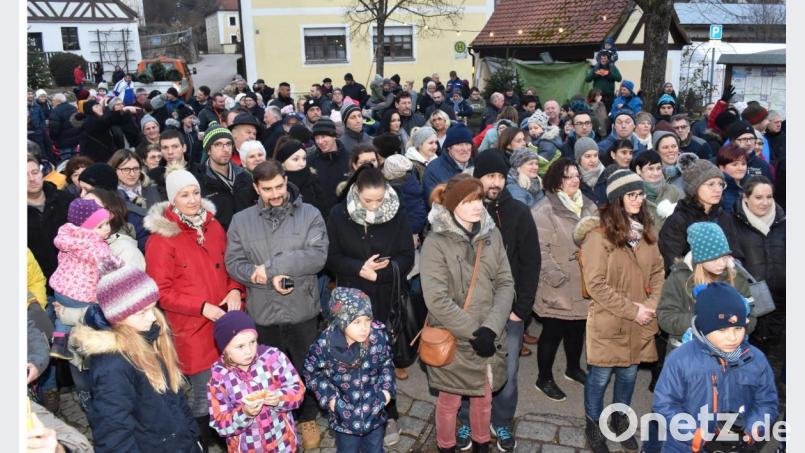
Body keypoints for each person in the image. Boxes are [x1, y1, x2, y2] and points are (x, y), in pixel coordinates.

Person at [224, 159, 328, 449]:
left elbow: (317, 256)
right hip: (263, 311)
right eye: (267, 189)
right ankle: (278, 420)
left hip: (302, 309)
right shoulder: (241, 220)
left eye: (279, 186)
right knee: (268, 372)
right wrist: (263, 278)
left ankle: (307, 417)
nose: (275, 193)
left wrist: (269, 267)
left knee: (305, 367)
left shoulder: (310, 214)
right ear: (256, 188)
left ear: (286, 181)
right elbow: (233, 263)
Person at [143, 166, 244, 451]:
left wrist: (236, 288)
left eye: (196, 192)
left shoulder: (213, 225)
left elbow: (232, 263)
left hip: (225, 321)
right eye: (184, 195)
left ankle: (231, 438)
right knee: (204, 393)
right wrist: (201, 307)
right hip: (193, 327)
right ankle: (200, 442)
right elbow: (160, 291)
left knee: (231, 385)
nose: (192, 200)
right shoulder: (162, 239)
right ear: (172, 200)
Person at [451, 153, 540, 452]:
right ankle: (465, 420)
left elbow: (531, 264)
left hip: (507, 312)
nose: (496, 183)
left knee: (507, 373)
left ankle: (500, 420)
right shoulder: (464, 211)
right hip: (468, 311)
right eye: (490, 176)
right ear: (478, 177)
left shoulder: (519, 213)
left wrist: (521, 310)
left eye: (501, 177)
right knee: (466, 368)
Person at [421, 175, 514, 452]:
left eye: (479, 199)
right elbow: (436, 298)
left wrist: (490, 328)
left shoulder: (492, 233)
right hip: (455, 335)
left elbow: (505, 283)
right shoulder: (435, 242)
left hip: (489, 333)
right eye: (469, 201)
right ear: (452, 205)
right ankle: (446, 446)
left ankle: (482, 445)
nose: (477, 206)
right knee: (449, 402)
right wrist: (474, 332)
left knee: (484, 400)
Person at [325, 164, 415, 447]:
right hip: (351, 299)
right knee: (347, 360)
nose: (375, 206)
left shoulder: (396, 212)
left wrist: (382, 274)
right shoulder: (339, 214)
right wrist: (357, 268)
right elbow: (329, 257)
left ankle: (388, 414)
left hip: (384, 298)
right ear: (356, 193)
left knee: (380, 360)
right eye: (368, 201)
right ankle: (346, 415)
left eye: (379, 199)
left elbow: (406, 256)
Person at [70, 258, 201, 452]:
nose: (152, 317)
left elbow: (176, 397)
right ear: (118, 317)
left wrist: (193, 438)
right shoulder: (113, 365)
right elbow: (114, 435)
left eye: (153, 308)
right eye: (142, 312)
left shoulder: (150, 338)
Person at [576, 169, 664, 453]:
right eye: (631, 195)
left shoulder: (646, 232)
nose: (638, 200)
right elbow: (596, 285)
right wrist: (632, 310)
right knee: (600, 377)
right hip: (609, 319)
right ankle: (593, 423)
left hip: (640, 320)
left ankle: (619, 418)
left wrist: (650, 307)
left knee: (628, 375)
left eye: (640, 194)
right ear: (616, 199)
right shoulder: (598, 237)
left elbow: (659, 271)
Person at [653, 283, 778, 453]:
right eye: (722, 330)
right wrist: (693, 434)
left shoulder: (756, 359)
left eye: (738, 328)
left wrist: (756, 427)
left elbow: (766, 402)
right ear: (704, 327)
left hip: (737, 446)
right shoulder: (680, 359)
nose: (732, 337)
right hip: (684, 447)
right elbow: (664, 404)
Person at [531, 157, 597, 403]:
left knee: (577, 329)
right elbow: (538, 249)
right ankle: (544, 378)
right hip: (555, 285)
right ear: (557, 180)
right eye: (569, 176)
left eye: (577, 176)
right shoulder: (543, 210)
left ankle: (572, 368)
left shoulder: (589, 206)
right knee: (552, 332)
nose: (575, 180)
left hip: (583, 283)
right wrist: (557, 277)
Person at [303, 287, 395, 452]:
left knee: (375, 449)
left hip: (374, 412)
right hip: (344, 419)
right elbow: (311, 372)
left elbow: (386, 362)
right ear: (342, 320)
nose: (364, 328)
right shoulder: (325, 345)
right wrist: (331, 399)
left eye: (367, 320)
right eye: (357, 322)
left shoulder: (377, 337)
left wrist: (386, 391)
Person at [208, 311, 305, 452]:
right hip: (248, 448)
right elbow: (220, 424)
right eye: (240, 346)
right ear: (224, 349)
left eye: (252, 342)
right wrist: (244, 414)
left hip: (283, 444)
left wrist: (279, 398)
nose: (249, 351)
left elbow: (298, 389)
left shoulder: (273, 358)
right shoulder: (219, 379)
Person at [657, 222, 754, 355]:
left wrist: (734, 323)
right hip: (686, 352)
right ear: (699, 259)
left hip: (728, 353)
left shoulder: (737, 277)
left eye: (724, 257)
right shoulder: (679, 278)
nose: (721, 263)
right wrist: (700, 320)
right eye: (714, 259)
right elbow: (665, 318)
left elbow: (752, 316)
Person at [48, 198, 112, 360]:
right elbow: (112, 269)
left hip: (60, 290)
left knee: (63, 318)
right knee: (94, 320)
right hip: (81, 295)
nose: (107, 229)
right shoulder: (95, 245)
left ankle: (59, 343)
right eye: (100, 226)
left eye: (107, 223)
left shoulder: (67, 236)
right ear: (86, 228)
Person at [730, 176, 785, 354]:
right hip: (750, 305)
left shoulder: (784, 223)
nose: (765, 202)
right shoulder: (731, 223)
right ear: (745, 197)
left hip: (782, 304)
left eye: (769, 197)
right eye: (759, 197)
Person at [659, 158, 737, 272]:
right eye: (711, 184)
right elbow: (672, 263)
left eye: (721, 184)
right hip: (691, 285)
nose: (718, 189)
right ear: (694, 188)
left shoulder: (724, 217)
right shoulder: (678, 220)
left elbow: (736, 255)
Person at [27, 155, 75, 293]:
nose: (31, 179)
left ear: (42, 173)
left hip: (76, 282)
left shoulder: (65, 199)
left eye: (35, 172)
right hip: (41, 289)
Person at [198, 124, 253, 230]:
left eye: (228, 144)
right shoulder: (199, 181)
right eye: (218, 144)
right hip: (219, 241)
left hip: (247, 237)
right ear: (208, 150)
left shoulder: (245, 176)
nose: (225, 149)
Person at [83, 188, 146, 271]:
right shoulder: (77, 246)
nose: (82, 212)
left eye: (91, 207)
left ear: (111, 214)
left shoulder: (125, 251)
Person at [630, 150, 682, 232]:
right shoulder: (632, 196)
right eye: (650, 169)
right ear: (638, 170)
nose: (656, 173)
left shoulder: (674, 192)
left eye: (659, 168)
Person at [309, 118, 350, 219]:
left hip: (346, 217)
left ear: (334, 136)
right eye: (317, 138)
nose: (320, 141)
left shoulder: (349, 159)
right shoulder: (310, 161)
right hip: (320, 218)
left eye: (323, 136)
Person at [423, 123, 475, 200]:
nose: (465, 149)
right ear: (449, 148)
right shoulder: (434, 170)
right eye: (459, 144)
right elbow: (435, 201)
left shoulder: (476, 165)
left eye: (467, 144)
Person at [715, 143, 749, 214]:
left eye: (743, 164)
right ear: (722, 167)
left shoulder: (751, 184)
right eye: (734, 164)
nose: (740, 168)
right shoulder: (718, 190)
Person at [574, 138, 606, 204]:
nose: (593, 160)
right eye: (588, 156)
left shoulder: (607, 176)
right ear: (578, 159)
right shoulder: (573, 180)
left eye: (595, 155)